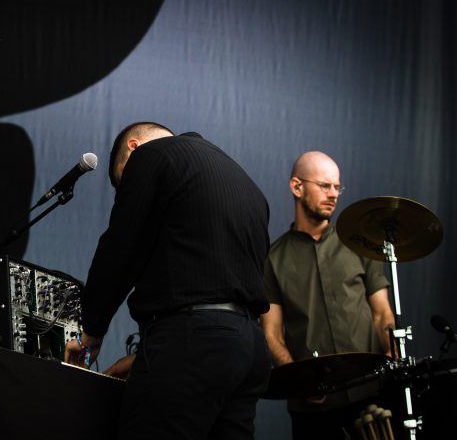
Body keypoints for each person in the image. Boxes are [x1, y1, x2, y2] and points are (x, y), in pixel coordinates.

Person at [64, 122, 272, 440]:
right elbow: (214, 289)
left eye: (124, 183)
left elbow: (120, 248)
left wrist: (90, 334)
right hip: (249, 349)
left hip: (193, 344)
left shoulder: (150, 156)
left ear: (134, 147)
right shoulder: (244, 182)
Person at [259, 151, 396, 440]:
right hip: (312, 408)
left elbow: (382, 313)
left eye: (337, 187)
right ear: (297, 187)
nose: (333, 194)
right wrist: (298, 381)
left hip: (370, 394)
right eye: (324, 186)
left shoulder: (361, 245)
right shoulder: (272, 259)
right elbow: (271, 333)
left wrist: (391, 352)